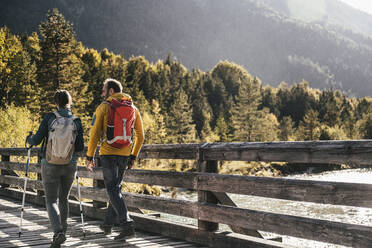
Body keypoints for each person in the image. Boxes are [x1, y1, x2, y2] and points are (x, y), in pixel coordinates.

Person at [85, 78, 144, 240]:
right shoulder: (133, 108)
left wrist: (89, 156)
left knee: (112, 189)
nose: (102, 93)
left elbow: (94, 134)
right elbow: (141, 135)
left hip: (108, 153)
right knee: (115, 189)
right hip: (125, 155)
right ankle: (107, 225)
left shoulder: (104, 107)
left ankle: (127, 225)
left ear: (111, 91)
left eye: (104, 90)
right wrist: (133, 155)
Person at [27, 90, 84, 248]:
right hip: (70, 164)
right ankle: (63, 232)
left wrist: (28, 138)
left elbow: (37, 140)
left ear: (56, 102)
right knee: (64, 198)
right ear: (69, 101)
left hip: (50, 163)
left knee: (51, 200)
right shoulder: (76, 120)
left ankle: (58, 233)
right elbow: (79, 147)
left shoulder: (49, 118)